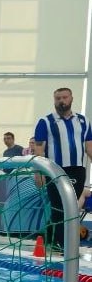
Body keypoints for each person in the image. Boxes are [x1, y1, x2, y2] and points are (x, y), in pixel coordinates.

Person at [33, 87, 92, 250]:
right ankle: (61, 244)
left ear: (71, 98)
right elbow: (39, 150)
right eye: (58, 98)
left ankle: (58, 240)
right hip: (55, 170)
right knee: (58, 207)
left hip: (77, 170)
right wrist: (38, 172)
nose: (61, 101)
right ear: (54, 101)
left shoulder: (83, 121)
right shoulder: (45, 122)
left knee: (71, 207)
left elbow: (89, 147)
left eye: (64, 97)